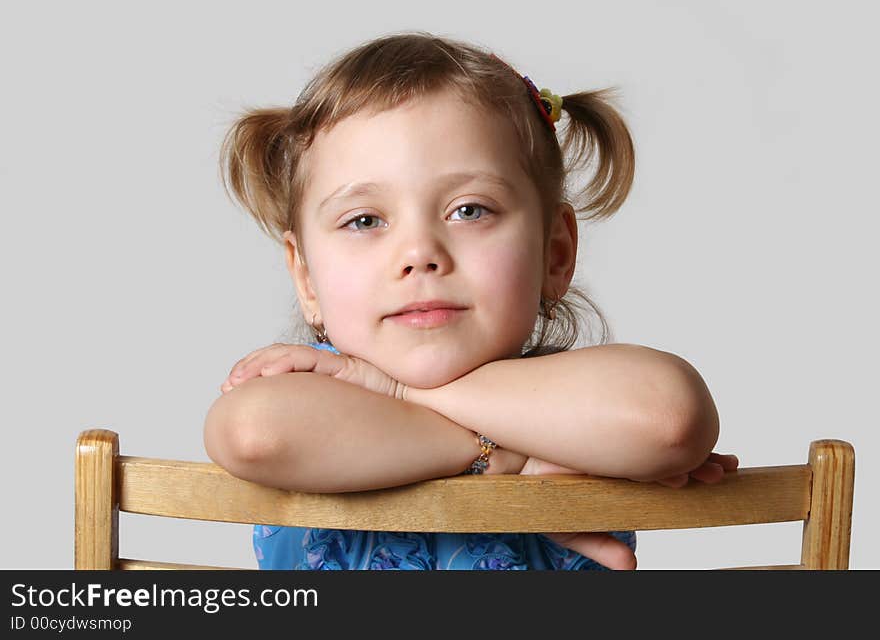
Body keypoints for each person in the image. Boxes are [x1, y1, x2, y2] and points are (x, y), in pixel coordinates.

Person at [203, 31, 738, 570]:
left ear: (555, 253)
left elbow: (669, 418)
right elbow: (253, 433)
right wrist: (505, 451)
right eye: (364, 220)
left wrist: (399, 391)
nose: (419, 254)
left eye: (470, 210)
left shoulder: (579, 395)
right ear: (307, 279)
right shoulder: (309, 405)